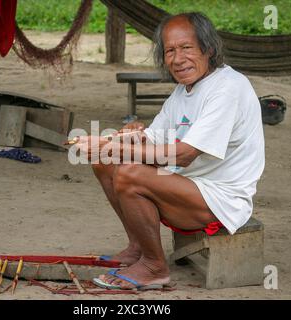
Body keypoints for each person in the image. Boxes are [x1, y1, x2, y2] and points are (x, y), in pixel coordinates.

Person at [77, 12, 265, 290]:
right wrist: (121, 140)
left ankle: (155, 267)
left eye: (187, 48)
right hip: (188, 186)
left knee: (130, 172)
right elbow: (153, 138)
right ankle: (138, 248)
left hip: (220, 199)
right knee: (106, 163)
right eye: (170, 51)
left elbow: (183, 154)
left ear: (208, 49)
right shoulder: (185, 90)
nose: (178, 59)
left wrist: (113, 147)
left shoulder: (227, 88)